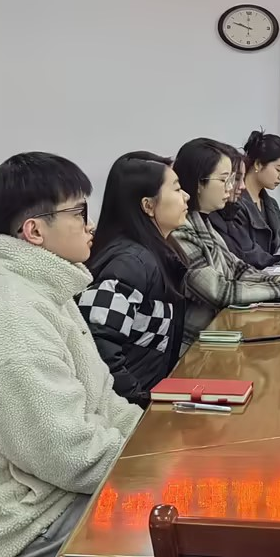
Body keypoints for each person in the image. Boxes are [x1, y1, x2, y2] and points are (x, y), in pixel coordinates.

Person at [0, 152, 142, 557]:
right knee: (182, 533)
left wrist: (154, 442)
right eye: (80, 213)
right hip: (14, 519)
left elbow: (101, 397)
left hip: (45, 485)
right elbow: (69, 455)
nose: (91, 225)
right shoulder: (9, 320)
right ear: (35, 231)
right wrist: (152, 466)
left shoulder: (41, 285)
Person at [79, 152, 190, 406]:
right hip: (126, 409)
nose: (186, 196)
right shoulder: (131, 262)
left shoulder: (157, 251)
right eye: (176, 189)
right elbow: (98, 342)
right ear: (148, 206)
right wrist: (138, 400)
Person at [172, 137, 280, 343]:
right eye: (225, 180)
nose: (232, 187)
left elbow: (237, 268)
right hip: (196, 342)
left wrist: (276, 281)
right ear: (199, 182)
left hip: (218, 331)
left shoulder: (202, 222)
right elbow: (219, 291)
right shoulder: (180, 231)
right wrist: (279, 289)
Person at [217, 131, 280, 270]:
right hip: (251, 274)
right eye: (278, 169)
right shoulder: (232, 203)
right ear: (258, 164)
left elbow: (279, 244)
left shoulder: (271, 204)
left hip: (271, 272)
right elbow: (246, 253)